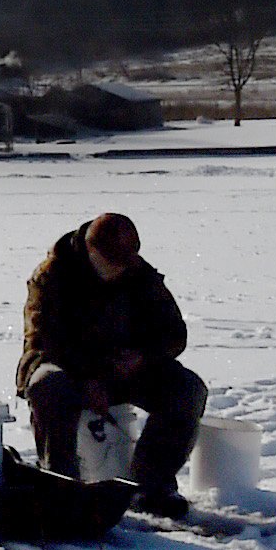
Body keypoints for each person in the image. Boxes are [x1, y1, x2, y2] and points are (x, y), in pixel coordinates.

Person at [18, 211, 205, 517]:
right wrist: (89, 376)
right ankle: (61, 485)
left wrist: (143, 356)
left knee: (187, 388)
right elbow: (44, 341)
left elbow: (174, 332)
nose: (119, 270)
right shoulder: (53, 275)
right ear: (91, 252)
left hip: (123, 371)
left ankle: (150, 486)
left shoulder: (137, 273)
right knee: (47, 385)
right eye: (111, 263)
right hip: (67, 368)